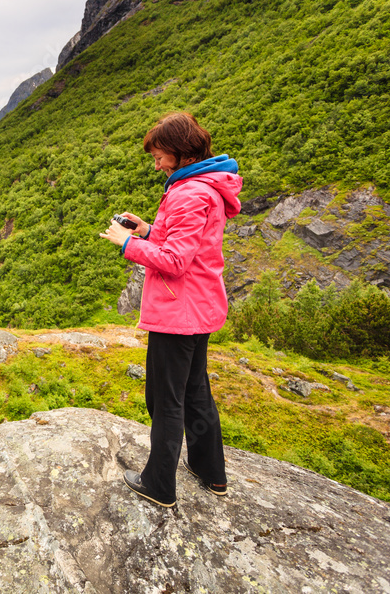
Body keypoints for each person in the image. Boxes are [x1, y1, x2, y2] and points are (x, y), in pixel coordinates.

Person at [100, 111, 242, 507]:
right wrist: (146, 230)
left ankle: (159, 484)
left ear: (181, 152)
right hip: (200, 307)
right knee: (196, 391)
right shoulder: (205, 187)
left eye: (160, 156)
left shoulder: (188, 193)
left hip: (178, 312)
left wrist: (126, 244)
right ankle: (210, 471)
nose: (157, 163)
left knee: (165, 400)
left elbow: (176, 261)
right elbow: (184, 243)